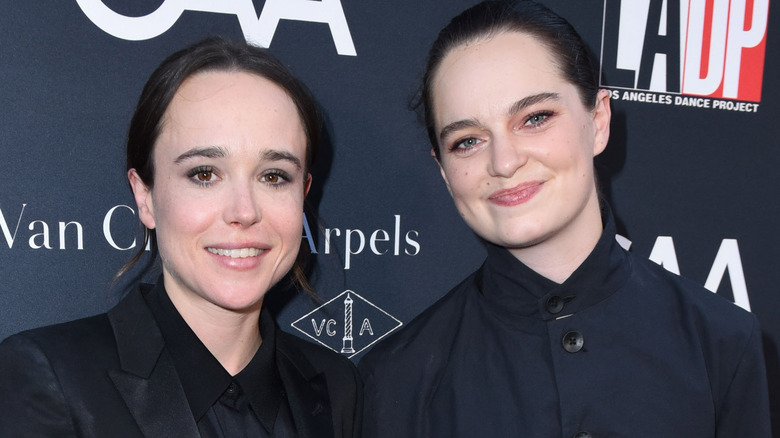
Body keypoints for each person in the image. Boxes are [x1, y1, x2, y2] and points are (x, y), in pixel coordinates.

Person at [358, 1, 771, 437]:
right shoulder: (393, 379)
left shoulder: (721, 340)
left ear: (598, 120)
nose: (504, 161)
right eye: (467, 141)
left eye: (535, 118)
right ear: (443, 171)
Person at [0, 37, 361, 438]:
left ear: (303, 194)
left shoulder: (336, 388)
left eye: (273, 176)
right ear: (145, 196)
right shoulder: (49, 378)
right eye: (204, 173)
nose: (244, 211)